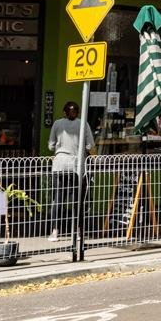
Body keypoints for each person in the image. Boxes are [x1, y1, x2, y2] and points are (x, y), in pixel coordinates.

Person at [47, 100, 94, 240]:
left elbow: (50, 146)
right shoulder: (84, 124)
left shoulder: (57, 124)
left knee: (57, 200)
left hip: (59, 165)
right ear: (78, 113)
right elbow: (90, 145)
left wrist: (60, 147)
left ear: (64, 112)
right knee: (77, 200)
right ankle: (78, 232)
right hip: (77, 166)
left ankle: (55, 232)